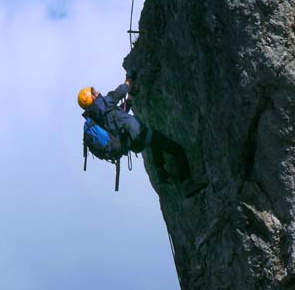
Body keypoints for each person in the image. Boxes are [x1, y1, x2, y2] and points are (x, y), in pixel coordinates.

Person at [77, 72, 207, 198]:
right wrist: (129, 79)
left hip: (131, 141)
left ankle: (161, 173)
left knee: (154, 141)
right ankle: (187, 184)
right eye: (94, 92)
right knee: (177, 149)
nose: (97, 92)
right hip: (137, 133)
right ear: (91, 97)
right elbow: (119, 92)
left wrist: (131, 97)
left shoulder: (96, 116)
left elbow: (119, 116)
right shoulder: (101, 104)